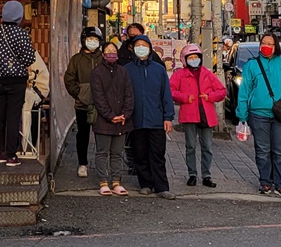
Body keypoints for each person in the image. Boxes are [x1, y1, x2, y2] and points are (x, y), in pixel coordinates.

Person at [235, 33, 281, 197]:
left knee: (280, 152)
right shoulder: (252, 66)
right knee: (262, 150)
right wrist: (242, 113)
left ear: (276, 47)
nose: (266, 46)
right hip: (258, 114)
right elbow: (244, 91)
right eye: (263, 43)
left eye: (270, 43)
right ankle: (265, 182)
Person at [0, 0, 37, 165]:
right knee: (13, 117)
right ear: (19, 16)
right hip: (17, 82)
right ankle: (11, 155)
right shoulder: (21, 34)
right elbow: (29, 58)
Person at [123, 35, 175, 198]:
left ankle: (162, 187)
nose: (141, 48)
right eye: (137, 45)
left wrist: (168, 117)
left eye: (144, 45)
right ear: (132, 48)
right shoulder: (126, 69)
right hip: (136, 119)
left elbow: (166, 94)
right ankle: (145, 184)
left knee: (158, 154)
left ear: (150, 48)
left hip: (156, 119)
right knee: (140, 153)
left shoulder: (158, 69)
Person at [170, 43, 225, 188]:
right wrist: (184, 98)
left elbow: (222, 91)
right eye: (191, 57)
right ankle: (192, 174)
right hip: (189, 115)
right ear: (184, 59)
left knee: (207, 146)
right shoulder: (179, 74)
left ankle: (206, 175)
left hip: (206, 115)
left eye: (196, 57)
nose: (194, 59)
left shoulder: (207, 73)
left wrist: (209, 96)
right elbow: (170, 91)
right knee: (191, 146)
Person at [89, 40, 134, 196]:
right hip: (103, 120)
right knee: (102, 152)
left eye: (114, 50)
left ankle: (116, 181)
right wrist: (110, 116)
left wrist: (125, 115)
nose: (111, 53)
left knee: (117, 152)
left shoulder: (123, 71)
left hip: (122, 120)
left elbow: (129, 94)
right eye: (108, 50)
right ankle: (103, 181)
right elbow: (98, 98)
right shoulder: (97, 72)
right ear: (103, 54)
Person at [63, 27, 104, 177]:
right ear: (83, 40)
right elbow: (69, 79)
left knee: (102, 135)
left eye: (96, 40)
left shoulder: (103, 58)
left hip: (102, 105)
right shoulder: (76, 59)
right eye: (89, 39)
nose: (92, 42)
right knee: (83, 134)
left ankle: (102, 164)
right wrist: (79, 93)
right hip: (82, 104)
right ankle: (82, 163)